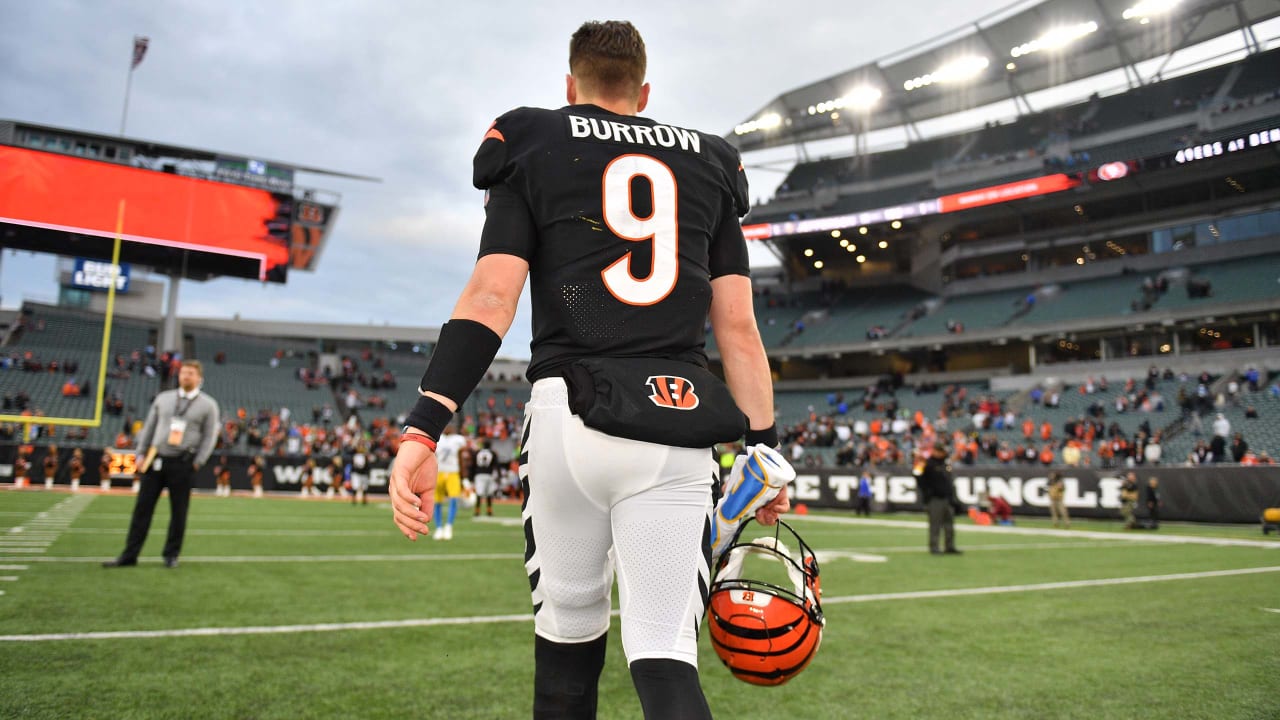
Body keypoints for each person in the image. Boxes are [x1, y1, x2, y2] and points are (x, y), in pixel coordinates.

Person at [389, 20, 788, 720]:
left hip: (568, 418)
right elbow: (739, 331)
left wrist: (424, 428)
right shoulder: (713, 164)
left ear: (570, 87)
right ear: (645, 90)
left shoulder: (534, 139)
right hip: (678, 422)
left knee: (566, 653)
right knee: (665, 656)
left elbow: (490, 298)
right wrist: (763, 454)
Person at [104, 360, 218, 569]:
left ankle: (171, 555)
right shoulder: (164, 398)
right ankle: (130, 555)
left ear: (199, 378)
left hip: (183, 461)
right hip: (155, 459)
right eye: (183, 372)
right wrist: (140, 452)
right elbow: (149, 427)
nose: (186, 376)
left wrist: (198, 462)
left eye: (191, 373)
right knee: (142, 509)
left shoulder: (208, 405)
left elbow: (210, 436)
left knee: (179, 511)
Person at [914, 442, 962, 554]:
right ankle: (934, 547)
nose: (942, 453)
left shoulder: (945, 464)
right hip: (935, 499)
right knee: (935, 525)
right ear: (935, 451)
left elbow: (949, 479)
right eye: (940, 451)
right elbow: (917, 474)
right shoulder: (927, 463)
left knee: (949, 524)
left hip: (947, 498)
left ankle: (949, 546)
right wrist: (927, 492)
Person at [431, 423, 467, 540]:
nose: (448, 427)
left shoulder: (458, 439)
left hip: (453, 472)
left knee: (454, 499)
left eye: (450, 426)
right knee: (437, 501)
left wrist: (463, 477)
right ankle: (439, 527)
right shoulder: (437, 438)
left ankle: (448, 526)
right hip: (439, 472)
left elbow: (461, 457)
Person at [471, 439, 498, 517]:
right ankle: (489, 510)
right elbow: (496, 465)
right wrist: (498, 475)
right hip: (489, 474)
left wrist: (471, 476)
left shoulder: (477, 453)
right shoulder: (492, 453)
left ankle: (477, 511)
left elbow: (473, 465)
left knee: (479, 494)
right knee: (489, 493)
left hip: (479, 474)